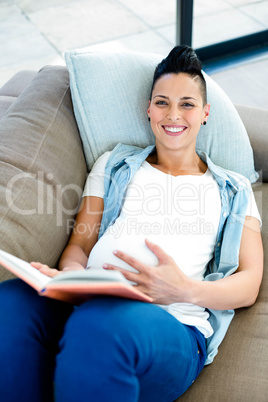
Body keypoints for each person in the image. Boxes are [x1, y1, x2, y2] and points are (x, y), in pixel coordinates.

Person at [0, 46, 263, 402]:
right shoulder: (114, 164)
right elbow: (80, 244)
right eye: (162, 102)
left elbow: (249, 283)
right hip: (89, 302)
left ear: (205, 113)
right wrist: (71, 277)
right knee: (11, 303)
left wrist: (183, 290)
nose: (173, 114)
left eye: (187, 103)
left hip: (171, 323)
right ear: (149, 109)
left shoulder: (234, 188)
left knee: (102, 328)